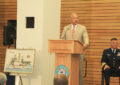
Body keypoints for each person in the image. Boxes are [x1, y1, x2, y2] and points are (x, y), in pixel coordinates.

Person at [61, 13, 89, 85]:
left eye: (77, 18)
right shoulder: (66, 28)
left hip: (78, 53)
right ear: (70, 19)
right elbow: (62, 39)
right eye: (74, 18)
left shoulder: (82, 28)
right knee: (67, 70)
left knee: (78, 71)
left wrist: (85, 44)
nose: (76, 19)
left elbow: (86, 39)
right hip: (67, 54)